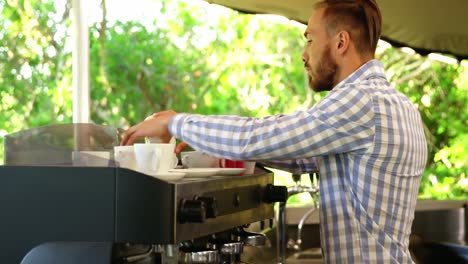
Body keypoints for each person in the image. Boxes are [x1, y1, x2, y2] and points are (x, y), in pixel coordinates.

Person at [121, 0, 428, 263]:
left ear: (341, 42)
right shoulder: (393, 103)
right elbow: (297, 155)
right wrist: (214, 145)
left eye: (309, 40)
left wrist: (175, 122)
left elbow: (261, 137)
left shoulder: (361, 102)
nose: (304, 54)